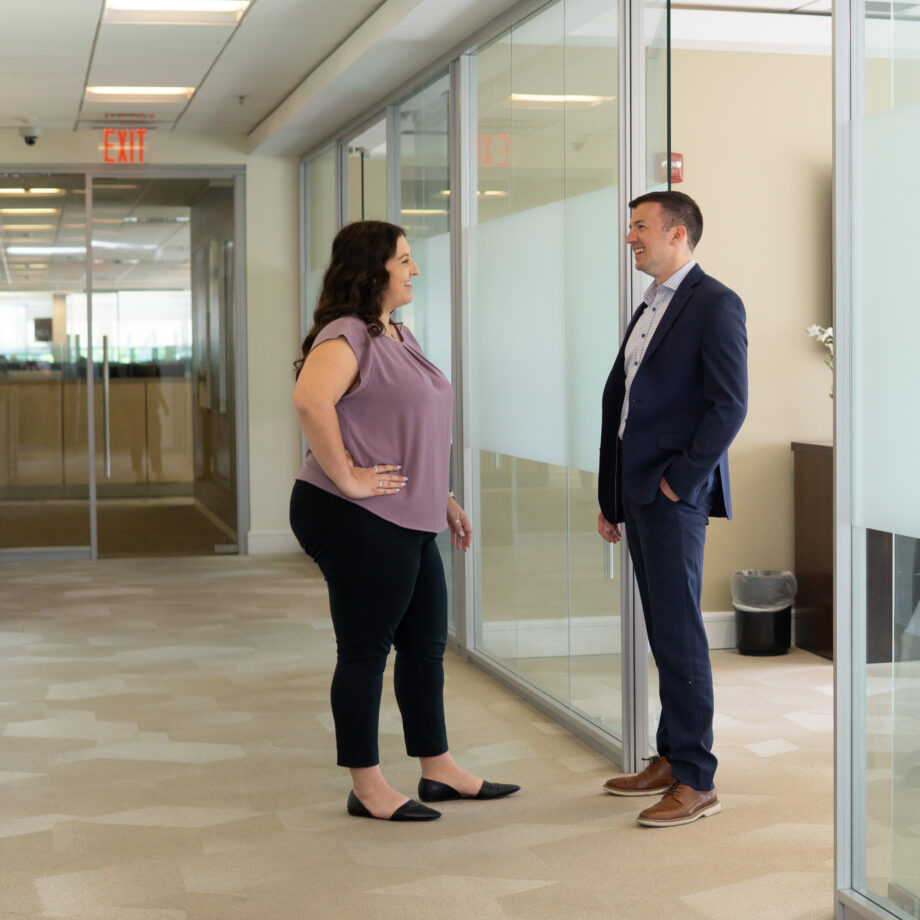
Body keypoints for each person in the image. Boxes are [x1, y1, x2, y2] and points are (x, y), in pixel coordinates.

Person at [290, 220, 519, 822]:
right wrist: (348, 478)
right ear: (373, 271)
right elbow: (311, 402)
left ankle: (437, 768)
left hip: (409, 511)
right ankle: (366, 787)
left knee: (424, 645)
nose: (414, 269)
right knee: (365, 651)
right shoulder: (345, 335)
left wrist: (438, 493)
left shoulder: (396, 333)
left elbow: (408, 426)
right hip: (354, 512)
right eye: (405, 260)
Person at [597, 191, 747, 827]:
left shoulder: (715, 303)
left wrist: (678, 484)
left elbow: (729, 405)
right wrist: (613, 496)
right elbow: (625, 404)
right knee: (662, 627)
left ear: (677, 234)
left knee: (681, 633)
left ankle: (695, 778)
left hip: (671, 494)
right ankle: (669, 754)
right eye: (631, 226)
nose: (631, 236)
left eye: (641, 227)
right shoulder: (651, 304)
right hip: (638, 493)